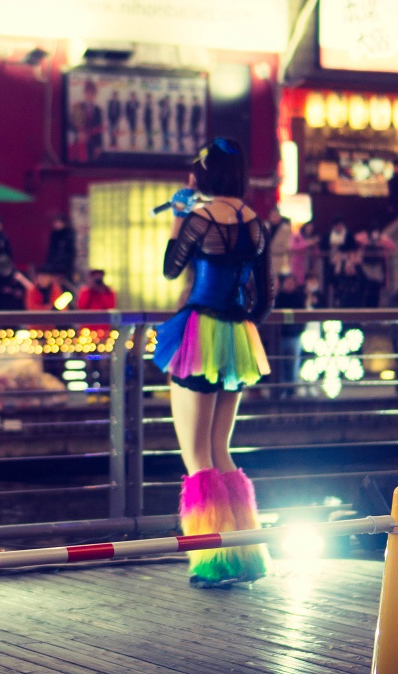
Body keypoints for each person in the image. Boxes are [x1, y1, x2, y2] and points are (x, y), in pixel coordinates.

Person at [150, 137, 273, 588]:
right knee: (221, 448)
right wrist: (241, 327)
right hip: (238, 336)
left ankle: (214, 562)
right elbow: (266, 295)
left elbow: (171, 269)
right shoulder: (256, 223)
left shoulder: (199, 219)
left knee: (196, 453)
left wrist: (177, 216)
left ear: (205, 175)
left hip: (200, 334)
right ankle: (246, 554)